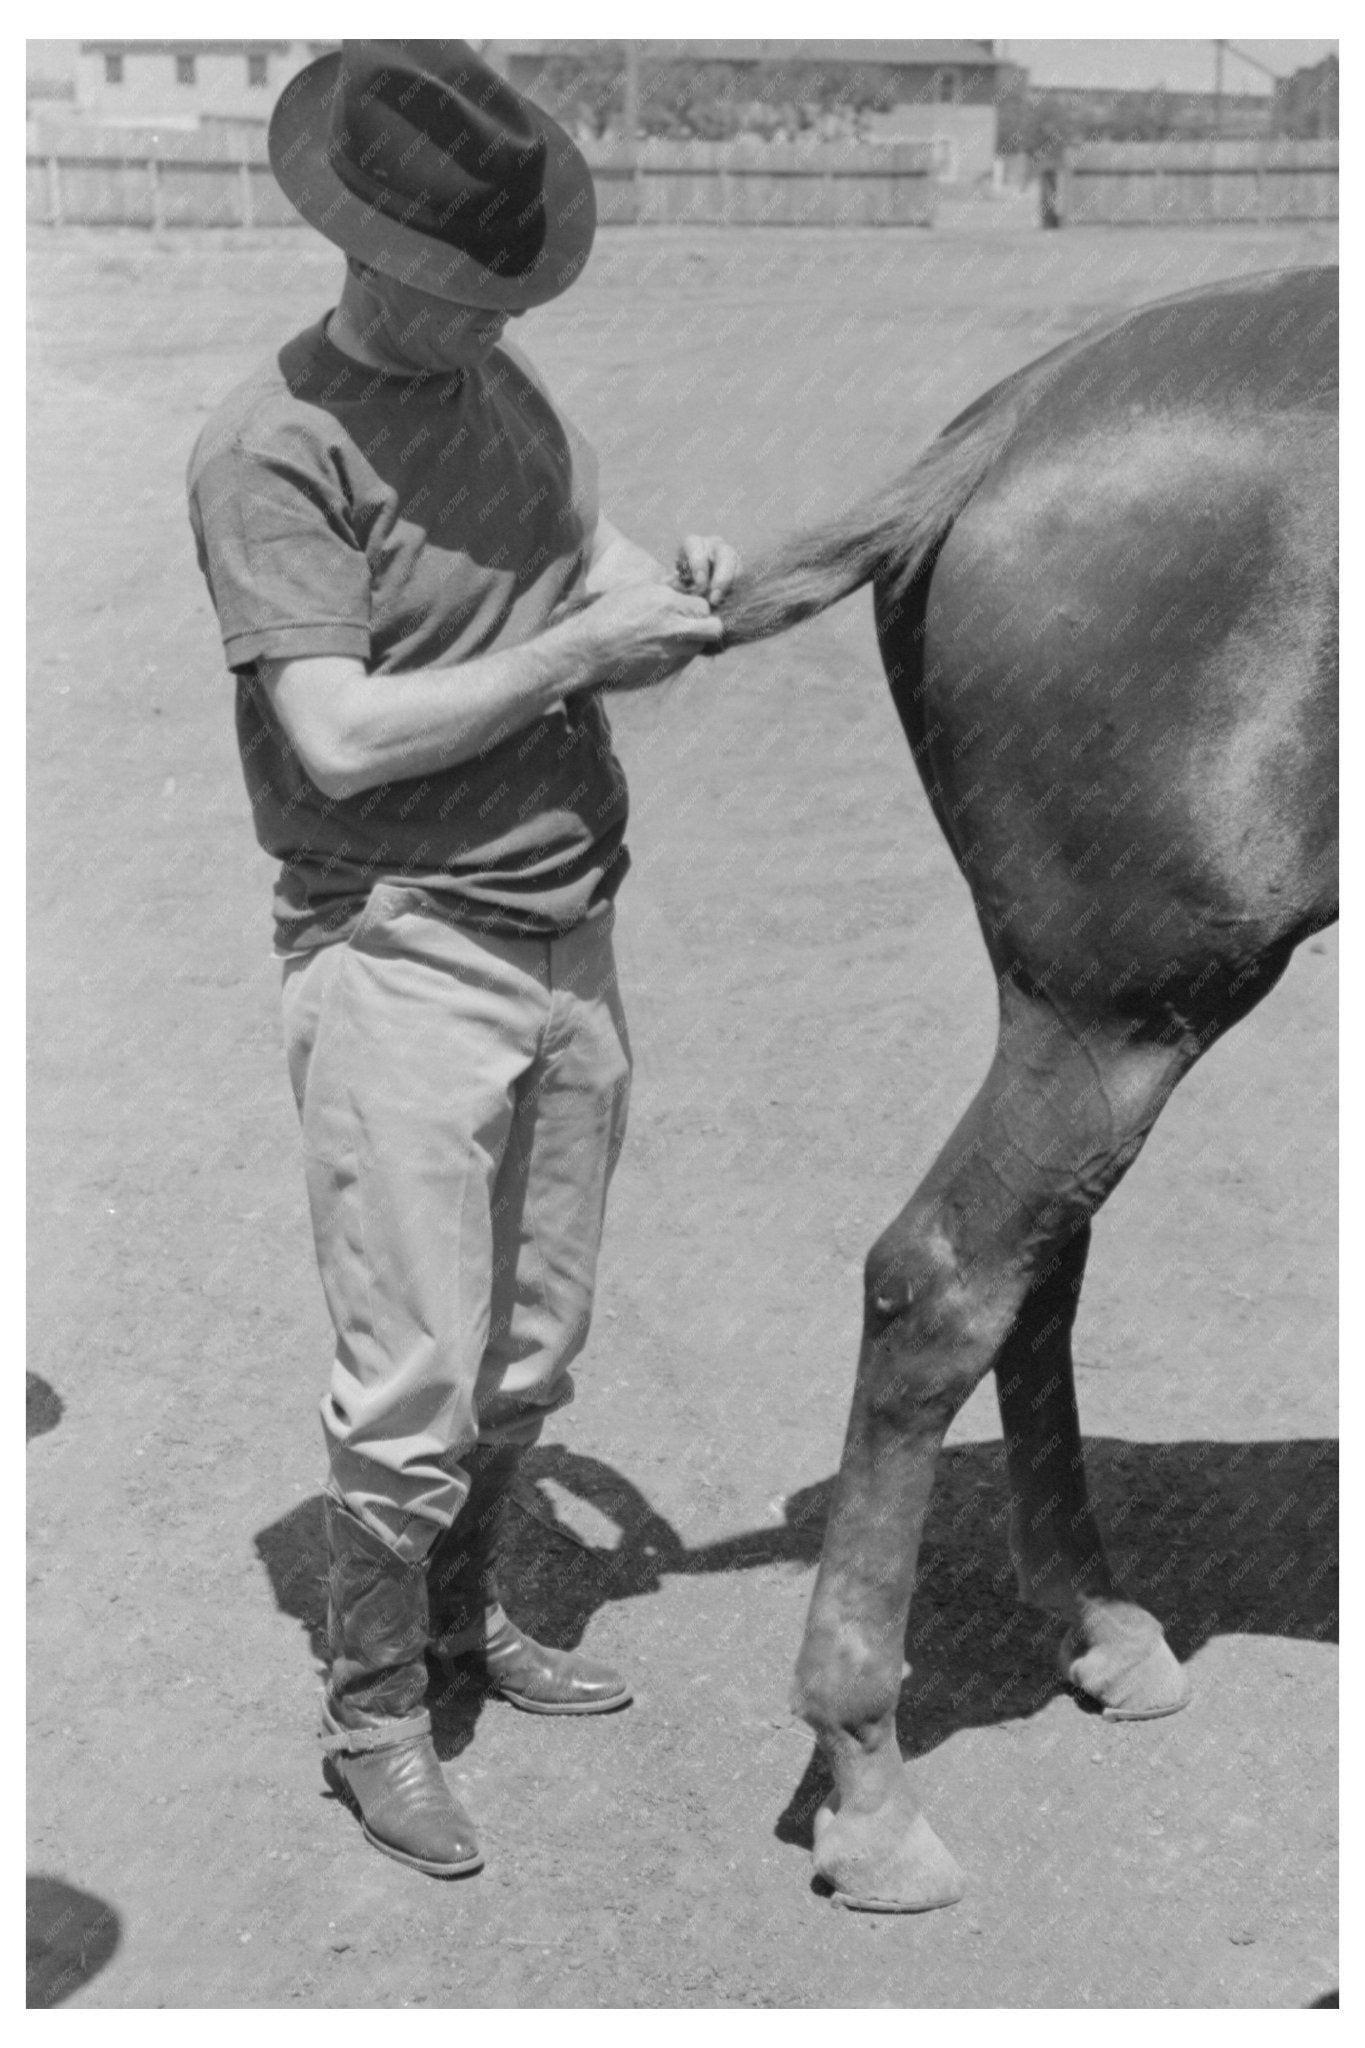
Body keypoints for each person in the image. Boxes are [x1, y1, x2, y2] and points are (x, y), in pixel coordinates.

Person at [187, 40, 739, 1879]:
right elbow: (336, 737)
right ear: (360, 247)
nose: (481, 319)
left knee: (529, 1346)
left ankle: (458, 1623)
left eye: (504, 293)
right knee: (412, 1367)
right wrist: (586, 655)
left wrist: (672, 586)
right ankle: (365, 1716)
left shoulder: (502, 385)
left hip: (566, 934)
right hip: (400, 949)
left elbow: (597, 560)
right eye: (455, 290)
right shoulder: (275, 445)